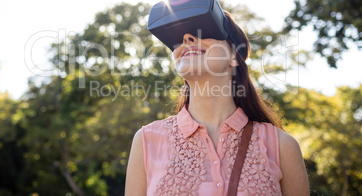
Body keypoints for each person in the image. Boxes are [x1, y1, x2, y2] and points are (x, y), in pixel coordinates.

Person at [125, 11, 310, 195]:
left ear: (233, 57)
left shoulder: (283, 146)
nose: (187, 38)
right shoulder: (146, 140)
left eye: (204, 30)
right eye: (178, 38)